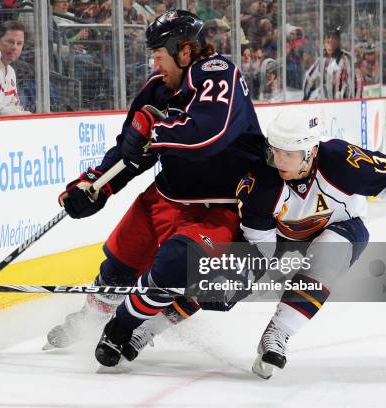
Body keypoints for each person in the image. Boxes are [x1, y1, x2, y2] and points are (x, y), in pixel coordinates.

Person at [45, 9, 266, 367]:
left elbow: (206, 135)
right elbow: (130, 152)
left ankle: (134, 325)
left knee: (174, 267)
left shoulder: (218, 74)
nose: (155, 63)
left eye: (159, 56)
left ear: (184, 51)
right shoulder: (157, 89)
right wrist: (96, 185)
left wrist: (156, 129)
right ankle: (89, 319)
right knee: (119, 263)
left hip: (219, 208)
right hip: (166, 196)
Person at [235, 108, 386, 379]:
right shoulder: (260, 182)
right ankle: (157, 319)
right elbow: (260, 244)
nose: (278, 160)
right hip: (281, 237)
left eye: (289, 154)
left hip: (342, 227)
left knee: (329, 254)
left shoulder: (341, 161)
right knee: (223, 280)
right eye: (275, 150)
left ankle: (278, 333)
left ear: (311, 152)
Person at [303, 26, 353, 101]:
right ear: (325, 41)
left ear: (338, 41)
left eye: (334, 38)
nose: (330, 41)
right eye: (328, 38)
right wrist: (306, 98)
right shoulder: (321, 60)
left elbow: (350, 83)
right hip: (326, 104)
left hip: (342, 104)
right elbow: (309, 79)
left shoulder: (345, 58)